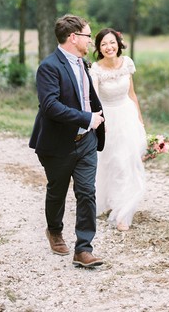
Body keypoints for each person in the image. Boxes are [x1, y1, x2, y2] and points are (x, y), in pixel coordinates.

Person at [29, 14, 106, 268]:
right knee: (57, 191)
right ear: (74, 38)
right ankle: (54, 230)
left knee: (87, 192)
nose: (91, 41)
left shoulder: (83, 63)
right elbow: (50, 106)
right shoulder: (49, 66)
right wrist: (87, 117)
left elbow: (87, 97)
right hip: (58, 143)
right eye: (88, 35)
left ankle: (83, 249)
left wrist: (96, 120)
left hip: (86, 141)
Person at [90, 28, 147, 232]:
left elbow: (132, 94)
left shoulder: (127, 63)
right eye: (104, 44)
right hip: (108, 120)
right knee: (109, 163)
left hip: (127, 117)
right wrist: (97, 124)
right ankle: (108, 201)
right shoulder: (95, 70)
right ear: (98, 48)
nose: (109, 47)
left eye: (112, 42)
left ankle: (123, 213)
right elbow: (94, 99)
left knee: (126, 163)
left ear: (118, 43)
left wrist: (140, 121)